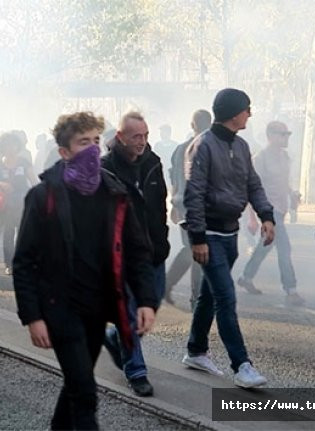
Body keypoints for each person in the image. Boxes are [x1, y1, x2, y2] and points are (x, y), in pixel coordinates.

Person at [13, 111, 157, 429]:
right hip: (60, 309)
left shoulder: (114, 193)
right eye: (83, 142)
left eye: (95, 140)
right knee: (85, 393)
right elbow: (23, 261)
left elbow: (136, 252)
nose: (92, 149)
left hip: (98, 308)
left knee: (77, 385)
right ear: (64, 153)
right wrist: (33, 317)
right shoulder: (43, 197)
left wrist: (146, 300)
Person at [181, 88, 274, 388]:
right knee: (225, 297)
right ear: (235, 113)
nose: (250, 114)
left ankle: (195, 350)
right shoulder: (203, 146)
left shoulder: (243, 146)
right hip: (207, 234)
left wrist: (266, 215)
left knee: (210, 294)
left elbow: (253, 184)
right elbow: (192, 195)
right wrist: (197, 237)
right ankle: (242, 365)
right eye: (248, 109)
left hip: (229, 234)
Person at [100, 112, 168, 397]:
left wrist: (162, 241)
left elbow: (159, 206)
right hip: (122, 255)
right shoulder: (104, 169)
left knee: (149, 309)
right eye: (136, 137)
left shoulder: (153, 163)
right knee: (129, 314)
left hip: (153, 251)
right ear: (120, 137)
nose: (142, 142)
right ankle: (136, 371)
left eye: (146, 136)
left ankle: (113, 337)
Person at [237, 121, 304, 306]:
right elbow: (251, 188)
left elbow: (284, 182)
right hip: (268, 210)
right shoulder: (261, 158)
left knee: (265, 246)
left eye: (288, 134)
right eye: (282, 134)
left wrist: (292, 194)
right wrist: (252, 217)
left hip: (280, 209)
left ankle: (246, 277)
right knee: (284, 248)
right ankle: (291, 289)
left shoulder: (285, 157)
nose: (286, 138)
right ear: (270, 135)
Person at [164, 110, 211, 307]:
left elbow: (174, 180)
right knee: (197, 251)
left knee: (192, 249)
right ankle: (195, 298)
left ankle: (169, 284)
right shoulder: (208, 148)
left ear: (192, 125)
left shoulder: (181, 149)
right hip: (198, 208)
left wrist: (174, 205)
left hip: (184, 207)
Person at [0, 132, 36, 275]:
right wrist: (0, 185)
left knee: (23, 234)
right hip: (6, 206)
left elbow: (34, 182)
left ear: (18, 146)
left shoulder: (24, 163)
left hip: (22, 203)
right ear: (2, 147)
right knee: (8, 234)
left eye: (13, 145)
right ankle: (9, 264)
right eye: (7, 145)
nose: (11, 148)